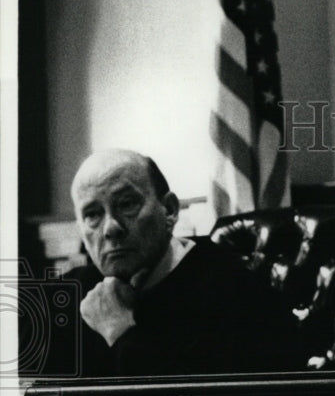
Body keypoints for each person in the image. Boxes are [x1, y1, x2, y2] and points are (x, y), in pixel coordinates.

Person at [68, 148, 296, 376]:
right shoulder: (69, 292)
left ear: (169, 211)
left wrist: (119, 331)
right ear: (80, 229)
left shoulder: (238, 292)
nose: (110, 228)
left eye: (127, 204)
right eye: (92, 214)